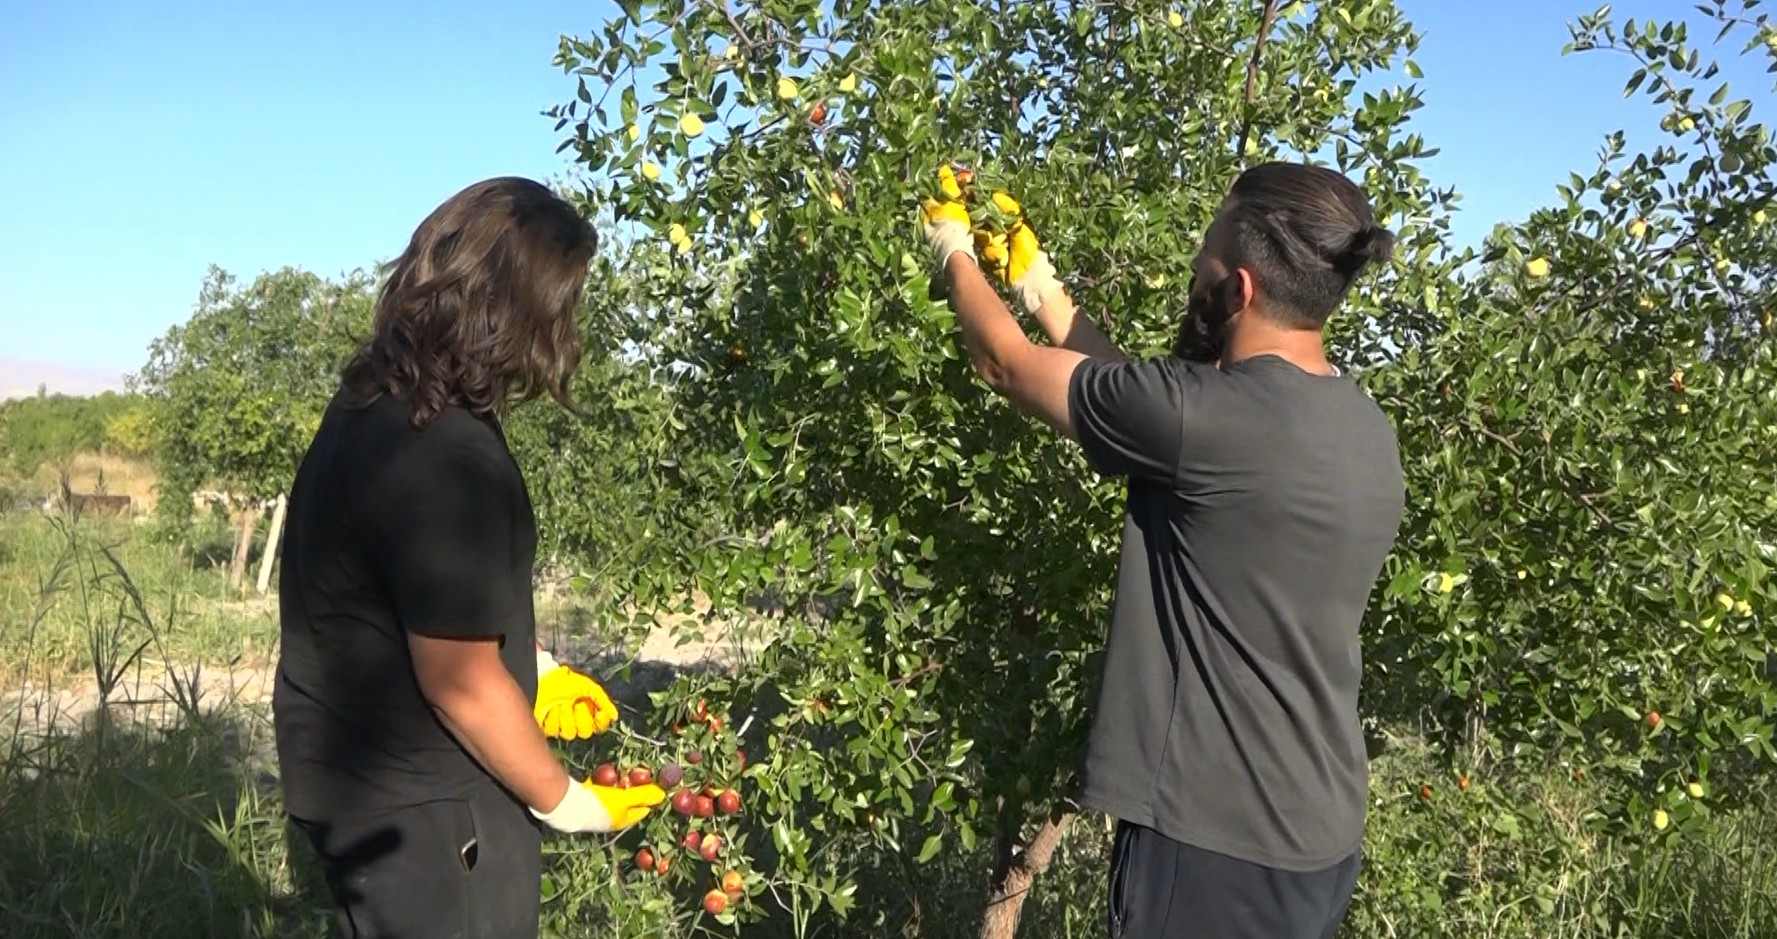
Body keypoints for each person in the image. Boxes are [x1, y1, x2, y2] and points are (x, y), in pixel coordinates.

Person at [919, 161, 1406, 939]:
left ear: (1239, 288)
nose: (1194, 261)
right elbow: (1139, 403)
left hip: (1213, 839)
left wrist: (949, 245)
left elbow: (1003, 365)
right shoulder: (1361, 426)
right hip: (1318, 825)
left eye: (1206, 246)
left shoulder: (1202, 419)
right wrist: (1037, 283)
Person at [274, 176, 665, 939]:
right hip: (435, 816)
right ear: (519, 311)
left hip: (356, 786)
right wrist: (566, 799)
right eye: (562, 305)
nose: (567, 327)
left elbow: (400, 597)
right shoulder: (450, 457)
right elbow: (459, 683)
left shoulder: (372, 403)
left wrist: (536, 667)